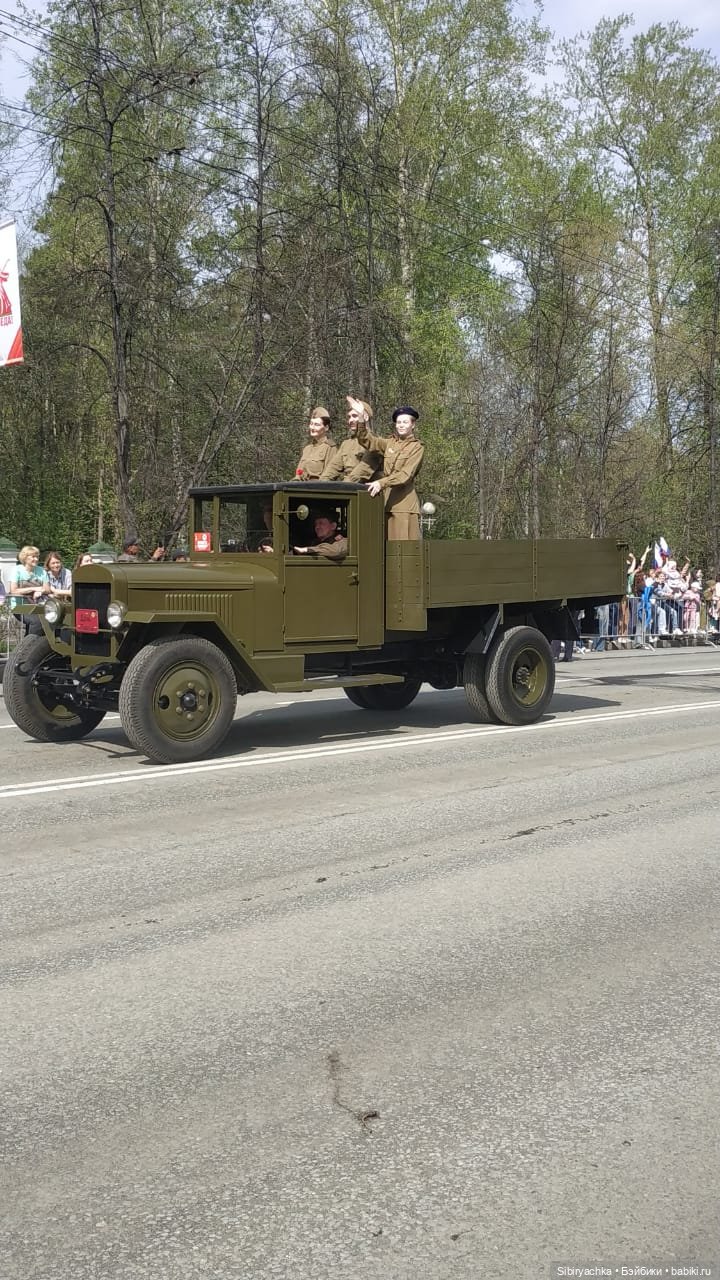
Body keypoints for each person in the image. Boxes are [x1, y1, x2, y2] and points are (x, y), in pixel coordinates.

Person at [346, 397, 424, 539]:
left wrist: (381, 483)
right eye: (398, 422)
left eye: (405, 422)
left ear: (413, 425)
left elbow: (405, 475)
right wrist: (361, 419)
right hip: (386, 504)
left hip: (403, 507)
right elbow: (367, 441)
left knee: (401, 552)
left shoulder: (417, 447)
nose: (401, 425)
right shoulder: (389, 443)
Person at [320, 400, 381, 483]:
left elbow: (362, 472)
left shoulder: (375, 442)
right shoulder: (346, 444)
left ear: (365, 417)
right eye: (349, 417)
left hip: (364, 488)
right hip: (348, 487)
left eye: (355, 416)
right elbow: (333, 467)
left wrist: (343, 487)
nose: (350, 420)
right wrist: (321, 484)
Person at [10, 545, 50, 635]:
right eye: (33, 557)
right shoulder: (17, 570)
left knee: (50, 619)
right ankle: (30, 646)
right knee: (37, 622)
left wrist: (41, 591)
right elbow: (14, 590)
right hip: (20, 607)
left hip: (37, 606)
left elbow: (47, 589)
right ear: (25, 557)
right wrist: (34, 588)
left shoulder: (41, 571)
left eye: (37, 557)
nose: (36, 559)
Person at [292, 407, 337, 481]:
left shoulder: (330, 448)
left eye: (316, 424)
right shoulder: (307, 449)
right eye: (311, 424)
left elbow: (329, 475)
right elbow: (299, 473)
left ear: (326, 428)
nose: (312, 427)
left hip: (317, 489)